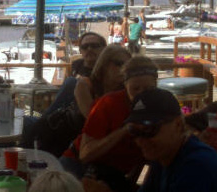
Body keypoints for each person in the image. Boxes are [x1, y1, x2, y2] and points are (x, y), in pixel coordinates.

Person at [61, 56, 159, 192]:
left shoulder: (162, 105)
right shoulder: (109, 104)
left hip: (114, 173)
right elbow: (85, 154)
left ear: (156, 85)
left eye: (148, 89)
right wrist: (126, 129)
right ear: (125, 85)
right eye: (135, 89)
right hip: (79, 165)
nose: (141, 93)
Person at [125, 88, 217, 192]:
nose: (140, 140)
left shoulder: (196, 168)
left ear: (178, 125)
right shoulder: (162, 155)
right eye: (134, 130)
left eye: (149, 129)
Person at [19, 32, 107, 150]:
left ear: (103, 49)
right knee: (23, 121)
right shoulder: (77, 64)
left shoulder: (106, 70)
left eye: (94, 46)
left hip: (79, 121)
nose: (89, 49)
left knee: (71, 82)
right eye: (85, 47)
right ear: (80, 50)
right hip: (63, 114)